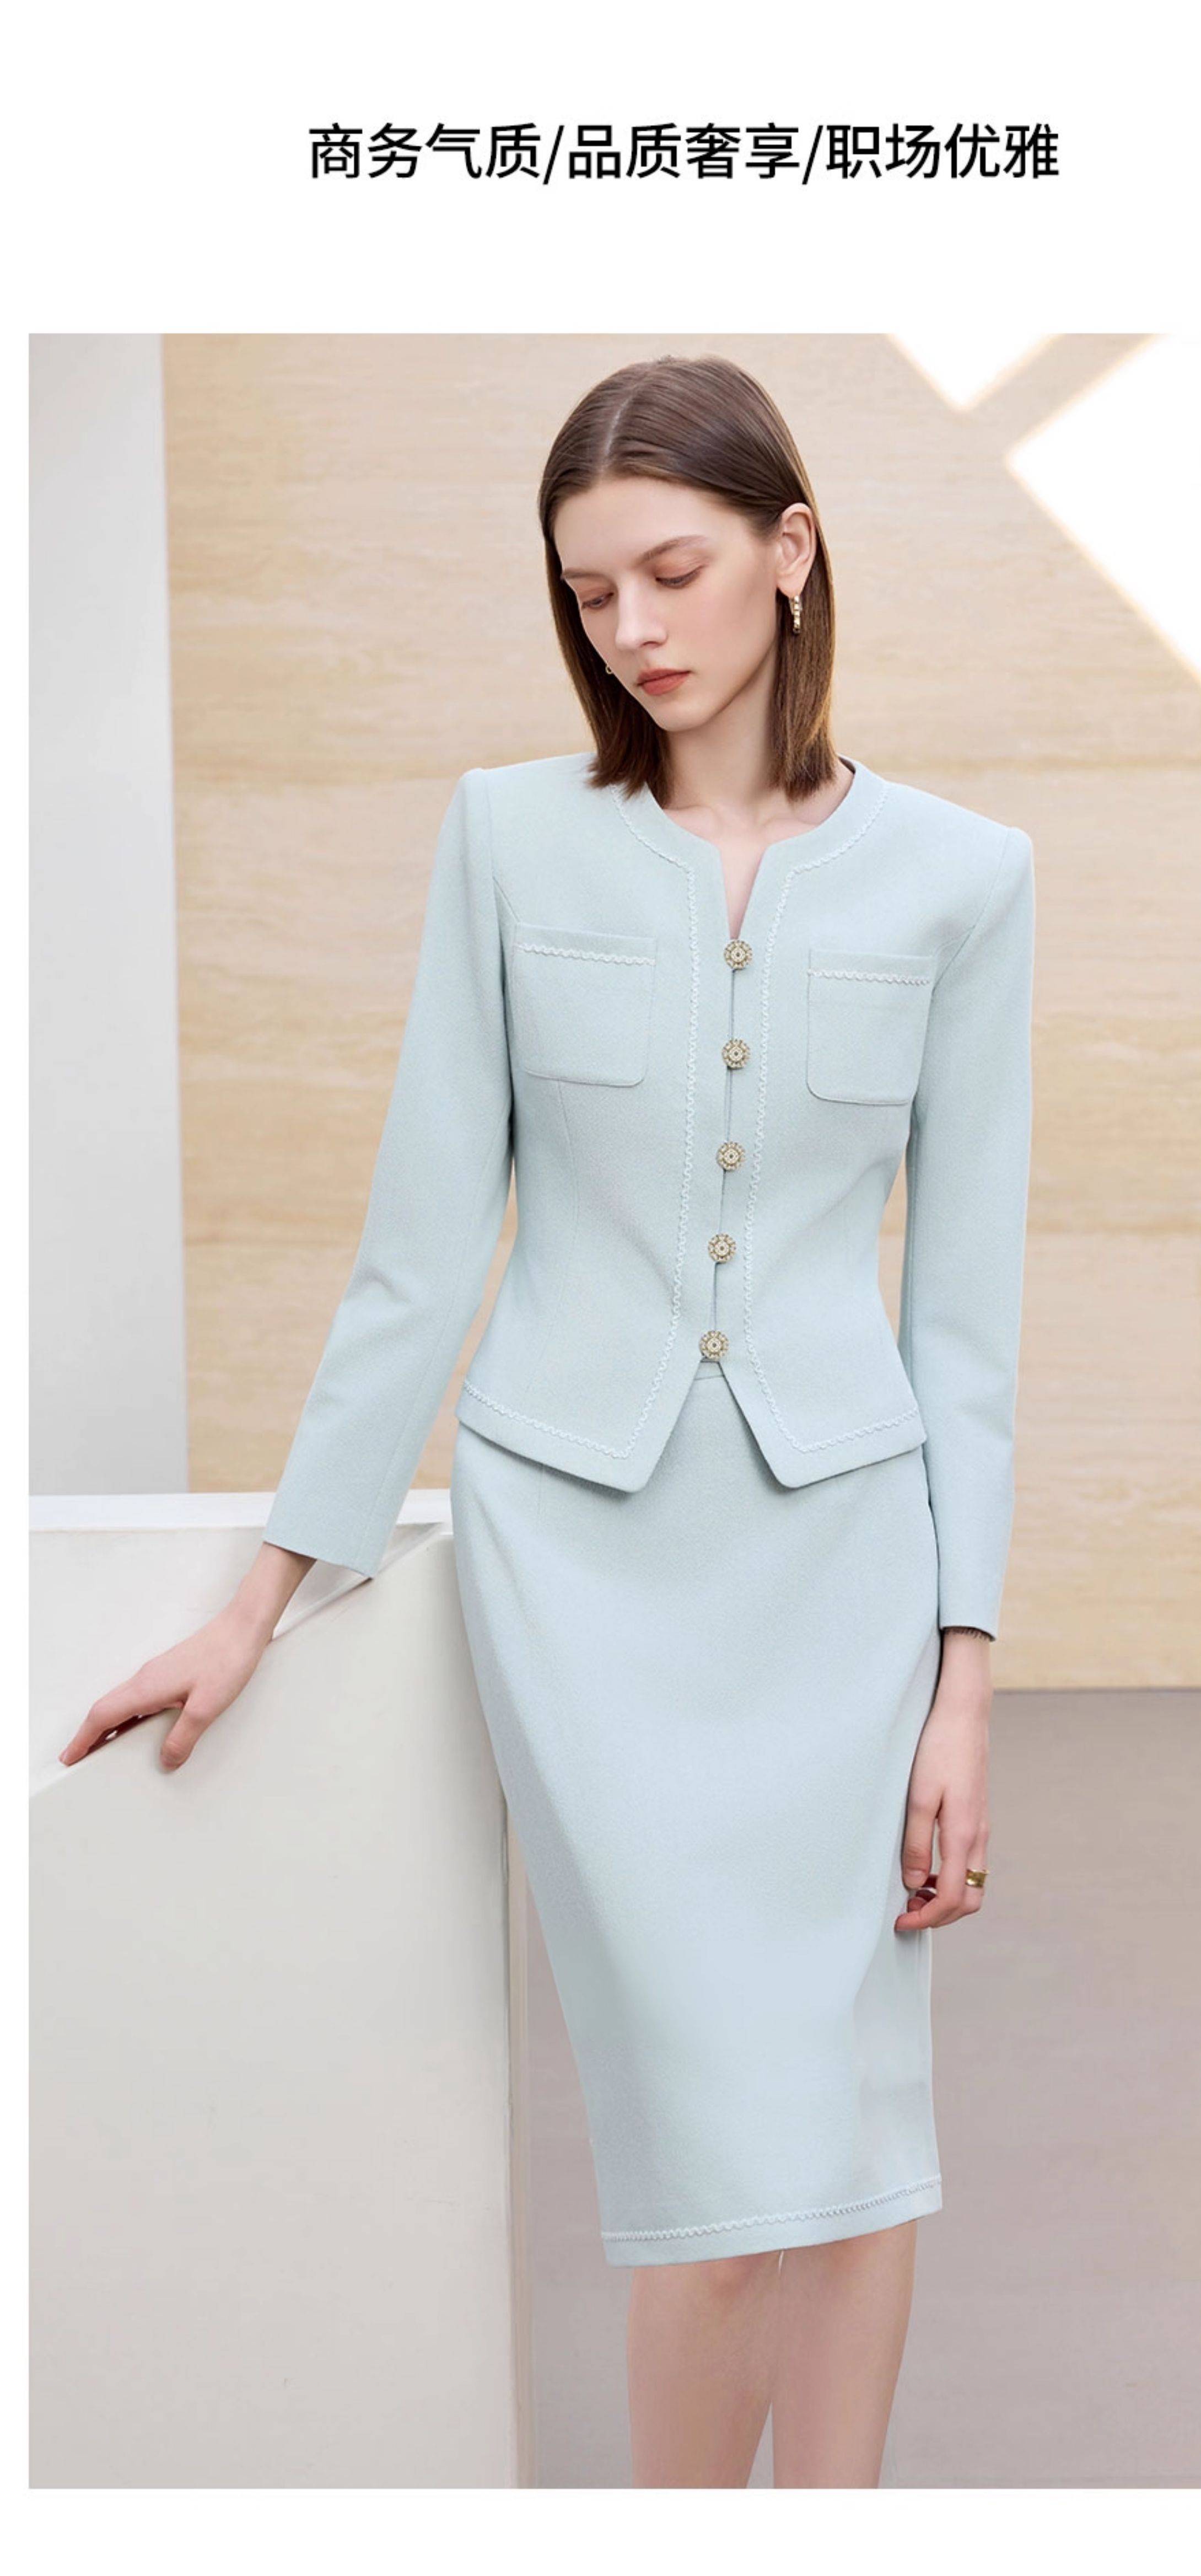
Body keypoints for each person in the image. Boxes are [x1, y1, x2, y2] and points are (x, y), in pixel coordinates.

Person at [62, 352, 1035, 2489]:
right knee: (707, 2146)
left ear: (791, 550)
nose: (634, 630)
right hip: (583, 1569)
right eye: (592, 594)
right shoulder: (508, 839)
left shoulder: (967, 880)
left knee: (854, 2124)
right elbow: (420, 1250)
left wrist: (961, 1682)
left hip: (844, 1574)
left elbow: (963, 1320)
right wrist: (259, 1600)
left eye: (672, 571)